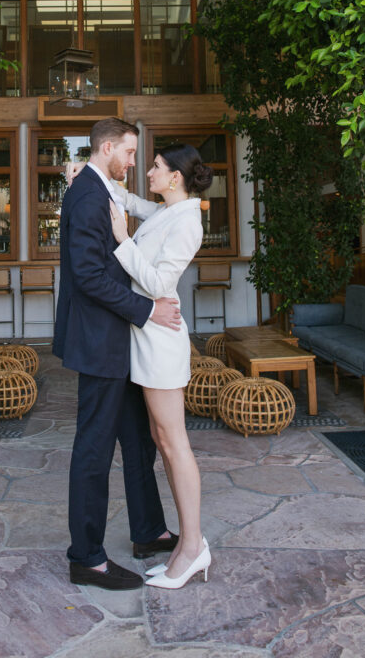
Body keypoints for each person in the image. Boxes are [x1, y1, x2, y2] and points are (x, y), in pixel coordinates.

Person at [66, 141, 214, 590]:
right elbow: (125, 199)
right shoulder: (165, 210)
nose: (145, 170)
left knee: (173, 442)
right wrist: (83, 170)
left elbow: (159, 282)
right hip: (143, 340)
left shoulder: (189, 221)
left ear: (175, 178)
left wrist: (123, 241)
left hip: (161, 341)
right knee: (157, 440)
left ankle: (192, 548)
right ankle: (171, 538)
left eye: (154, 166)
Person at [53, 118, 182, 592]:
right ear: (107, 148)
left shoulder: (101, 188)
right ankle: (86, 557)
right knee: (94, 450)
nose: (133, 161)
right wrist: (148, 310)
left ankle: (148, 531)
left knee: (137, 441)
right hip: (101, 342)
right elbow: (88, 276)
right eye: (129, 153)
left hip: (118, 339)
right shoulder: (87, 194)